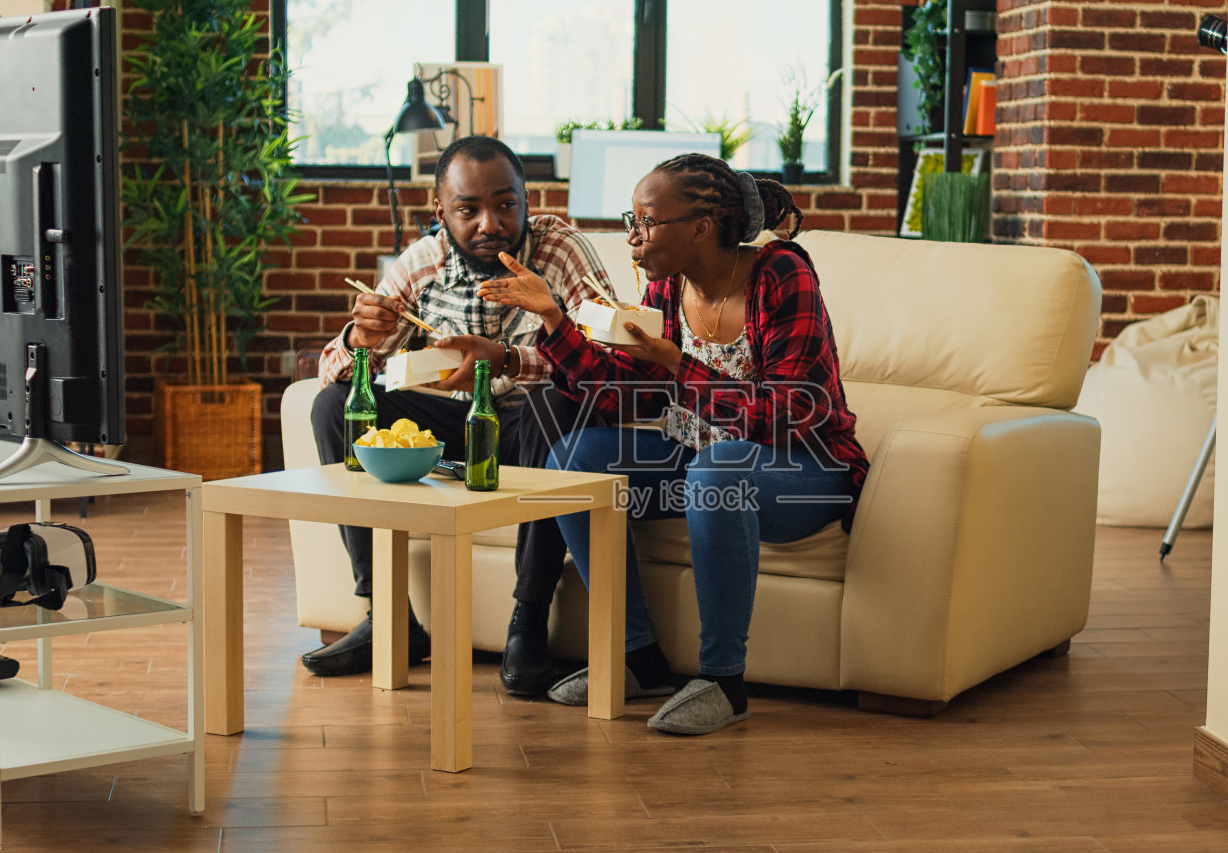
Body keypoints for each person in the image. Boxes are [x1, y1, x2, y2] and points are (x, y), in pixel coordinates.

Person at [477, 153, 868, 735]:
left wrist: (679, 366)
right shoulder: (665, 288)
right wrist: (556, 323)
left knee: (717, 469)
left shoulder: (782, 274)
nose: (631, 235)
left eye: (646, 221)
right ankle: (639, 658)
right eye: (629, 219)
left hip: (806, 471)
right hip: (698, 461)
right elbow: (623, 398)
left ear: (700, 228)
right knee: (575, 461)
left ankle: (723, 682)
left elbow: (794, 413)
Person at [308, 135, 616, 694]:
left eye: (505, 204)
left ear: (528, 199)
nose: (489, 223)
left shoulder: (562, 251)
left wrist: (506, 358)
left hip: (532, 428)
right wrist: (360, 337)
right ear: (440, 212)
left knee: (559, 400)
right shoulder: (422, 262)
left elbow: (609, 362)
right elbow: (340, 366)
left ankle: (528, 623)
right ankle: (390, 617)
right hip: (455, 428)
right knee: (335, 404)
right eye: (468, 210)